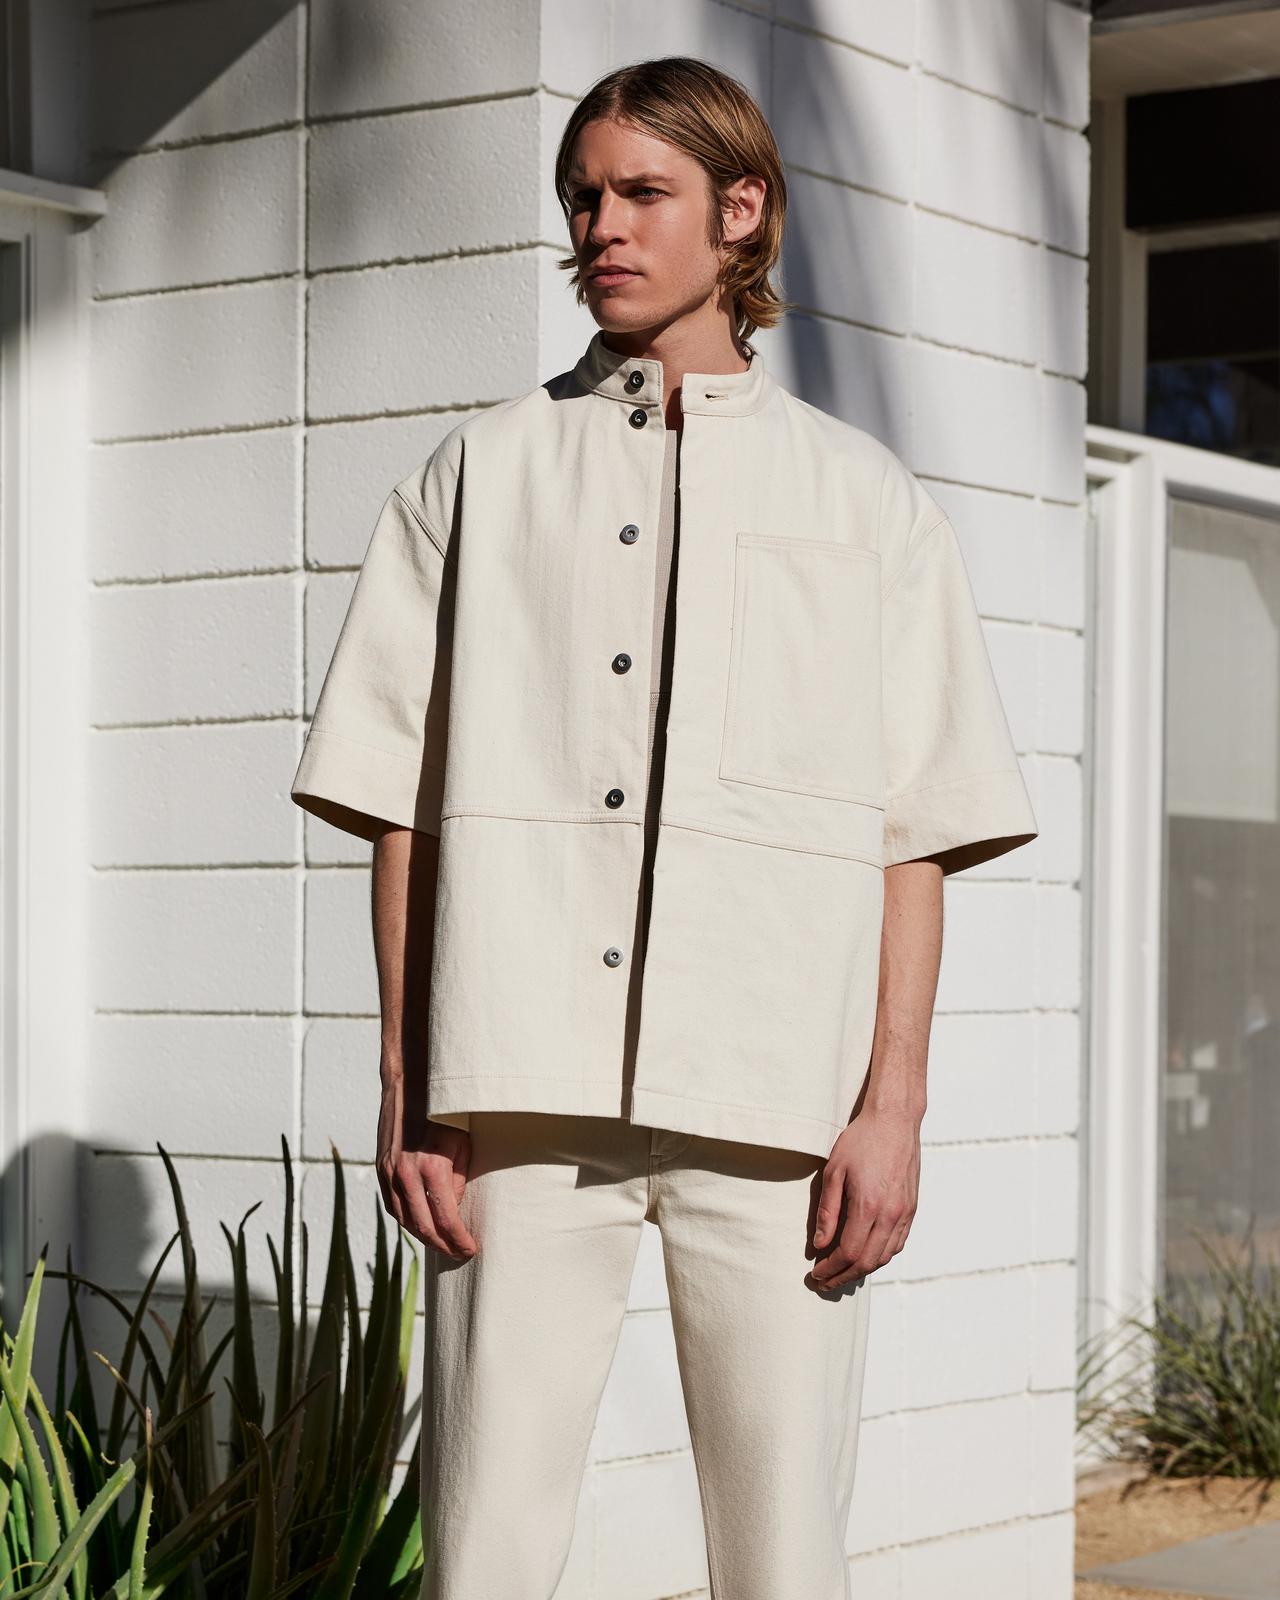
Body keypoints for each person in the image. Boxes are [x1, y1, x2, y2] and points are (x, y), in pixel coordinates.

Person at [291, 54, 1038, 1600]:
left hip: (778, 1103)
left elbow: (917, 829)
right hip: (518, 1092)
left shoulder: (866, 500)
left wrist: (891, 1107)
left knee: (783, 1560)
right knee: (483, 1555)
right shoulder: (476, 475)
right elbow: (398, 803)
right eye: (584, 196)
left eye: (643, 193)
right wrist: (410, 1085)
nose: (603, 229)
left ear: (740, 210)